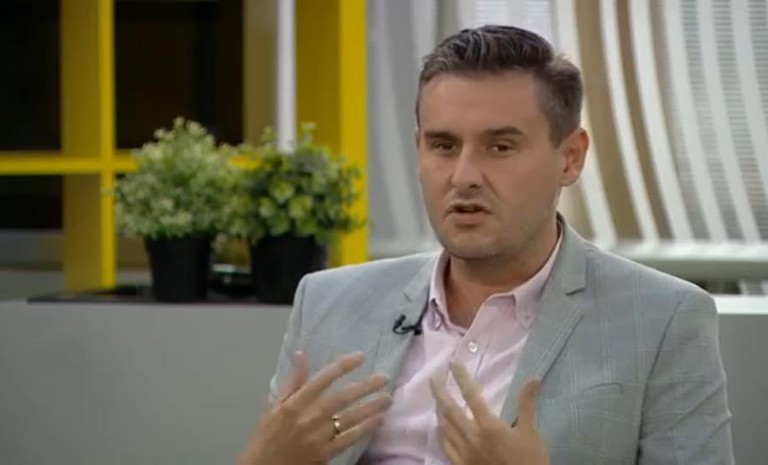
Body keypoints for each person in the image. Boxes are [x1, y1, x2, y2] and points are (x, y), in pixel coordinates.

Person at [237, 25, 734, 465]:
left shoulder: (663, 320)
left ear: (570, 157)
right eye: (443, 145)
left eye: (500, 147)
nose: (464, 176)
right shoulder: (328, 303)